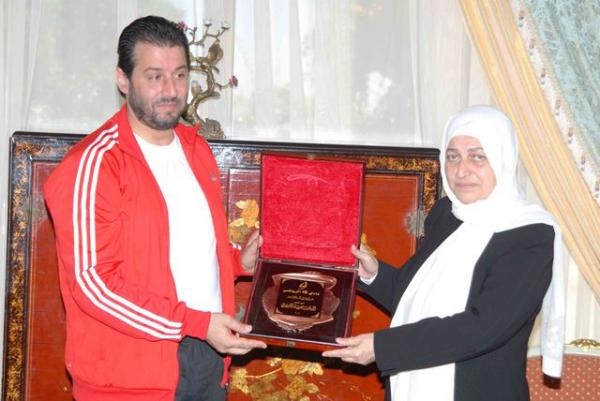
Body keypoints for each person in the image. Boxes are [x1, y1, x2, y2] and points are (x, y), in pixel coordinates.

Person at [43, 15, 266, 401]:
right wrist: (195, 323)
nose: (170, 89)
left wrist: (237, 262)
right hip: (128, 379)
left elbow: (177, 252)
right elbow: (93, 286)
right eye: (154, 76)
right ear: (123, 79)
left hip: (207, 359)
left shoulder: (197, 149)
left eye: (179, 75)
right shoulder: (94, 163)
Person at [323, 105, 565, 401]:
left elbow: (484, 326)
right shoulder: (446, 213)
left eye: (478, 157)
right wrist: (373, 274)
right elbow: (417, 299)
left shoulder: (530, 234)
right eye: (452, 157)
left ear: (502, 157)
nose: (461, 171)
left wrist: (383, 347)